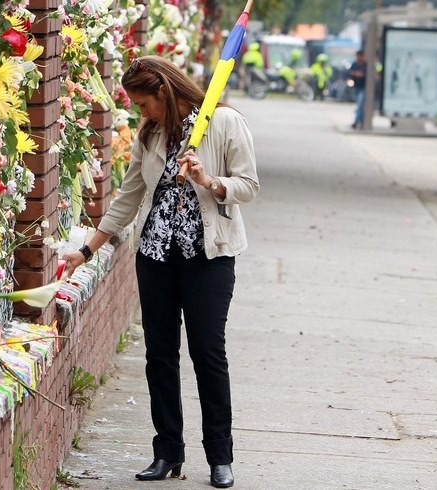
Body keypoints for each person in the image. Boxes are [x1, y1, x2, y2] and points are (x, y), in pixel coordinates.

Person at [62, 56, 259, 489]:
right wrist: (86, 250)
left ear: (164, 94)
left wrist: (209, 180)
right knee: (159, 357)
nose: (141, 112)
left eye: (144, 103)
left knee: (208, 354)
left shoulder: (223, 122)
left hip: (209, 257)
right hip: (155, 257)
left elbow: (249, 185)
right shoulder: (150, 134)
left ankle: (220, 457)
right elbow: (130, 194)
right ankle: (167, 450)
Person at [349, 50, 367, 129]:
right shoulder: (354, 64)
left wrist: (358, 74)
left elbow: (364, 75)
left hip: (363, 87)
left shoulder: (366, 65)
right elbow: (350, 73)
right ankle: (361, 121)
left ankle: (356, 122)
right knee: (359, 106)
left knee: (360, 106)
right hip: (356, 87)